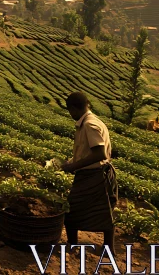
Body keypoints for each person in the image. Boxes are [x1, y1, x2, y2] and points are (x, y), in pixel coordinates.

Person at [60, 92, 117, 251]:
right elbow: (88, 152)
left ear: (73, 108)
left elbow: (100, 153)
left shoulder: (89, 125)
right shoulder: (91, 121)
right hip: (94, 173)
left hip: (94, 175)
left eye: (70, 111)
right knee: (103, 211)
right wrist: (70, 162)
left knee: (72, 209)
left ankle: (72, 245)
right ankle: (108, 248)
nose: (70, 114)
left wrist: (73, 167)